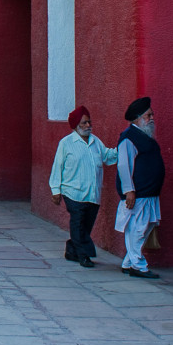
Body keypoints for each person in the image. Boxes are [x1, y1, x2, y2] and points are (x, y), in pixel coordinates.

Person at [49, 105, 117, 268]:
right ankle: (83, 255)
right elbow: (57, 166)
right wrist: (55, 190)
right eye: (84, 123)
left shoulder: (95, 141)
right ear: (76, 126)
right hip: (73, 192)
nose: (88, 126)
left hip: (92, 193)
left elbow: (106, 156)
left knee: (86, 225)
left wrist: (122, 150)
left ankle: (71, 249)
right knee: (78, 223)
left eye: (89, 122)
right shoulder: (66, 143)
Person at [115, 96, 165, 279]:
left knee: (145, 227)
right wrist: (129, 190)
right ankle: (138, 266)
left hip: (150, 193)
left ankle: (129, 262)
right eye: (147, 115)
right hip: (138, 194)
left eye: (152, 115)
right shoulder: (129, 138)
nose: (151, 118)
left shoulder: (146, 137)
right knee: (137, 229)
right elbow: (123, 165)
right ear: (137, 118)